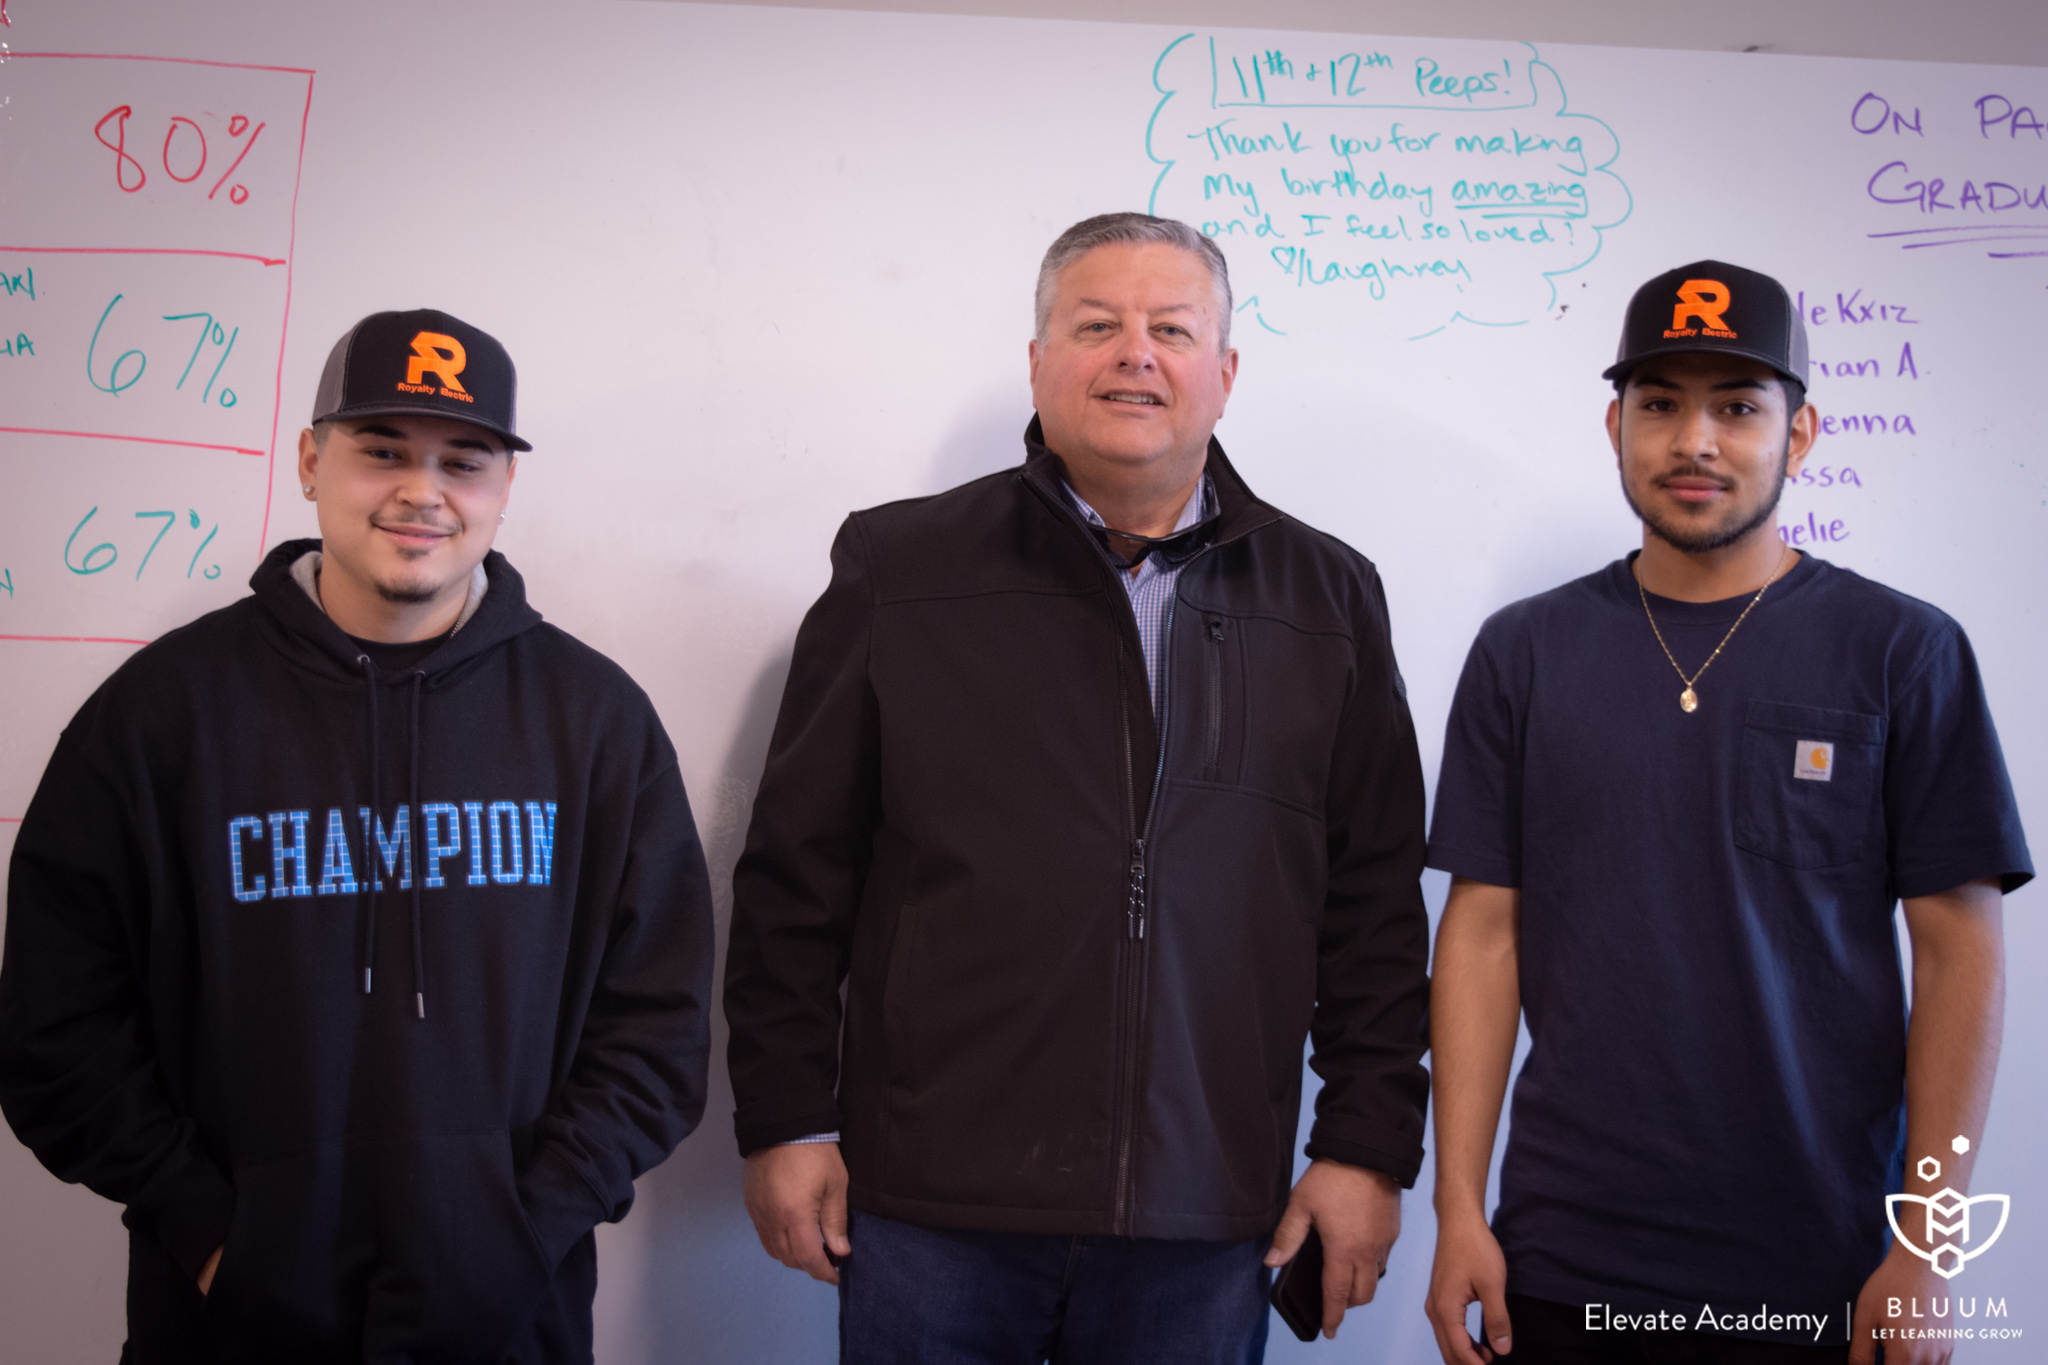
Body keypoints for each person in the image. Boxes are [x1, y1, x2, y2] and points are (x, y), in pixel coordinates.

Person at [723, 212, 1431, 1363]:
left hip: (1204, 1214)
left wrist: (1363, 1146)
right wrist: (786, 1117)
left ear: (1225, 372)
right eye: (1095, 325)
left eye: (1169, 328)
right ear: (1039, 361)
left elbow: (1372, 909)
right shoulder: (899, 570)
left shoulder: (1329, 598)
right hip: (928, 1206)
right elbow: (796, 877)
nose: (1133, 354)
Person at [0, 309, 716, 1364]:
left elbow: (657, 1029)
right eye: (381, 450)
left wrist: (527, 1229)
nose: (420, 492)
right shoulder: (162, 715)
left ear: (503, 489)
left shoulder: (595, 724)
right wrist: (206, 1232)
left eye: (462, 461)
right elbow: (54, 1023)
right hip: (223, 1322)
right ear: (309, 462)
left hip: (507, 1319)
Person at [1422, 262, 2031, 1365]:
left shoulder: (1900, 651)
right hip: (1565, 1259)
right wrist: (1456, 1209)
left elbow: (1957, 954)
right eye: (1658, 404)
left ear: (1796, 436)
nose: (1692, 440)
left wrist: (1928, 1247)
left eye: (1736, 407)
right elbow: (1480, 934)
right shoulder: (1525, 652)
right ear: (1614, 427)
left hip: (1825, 1263)